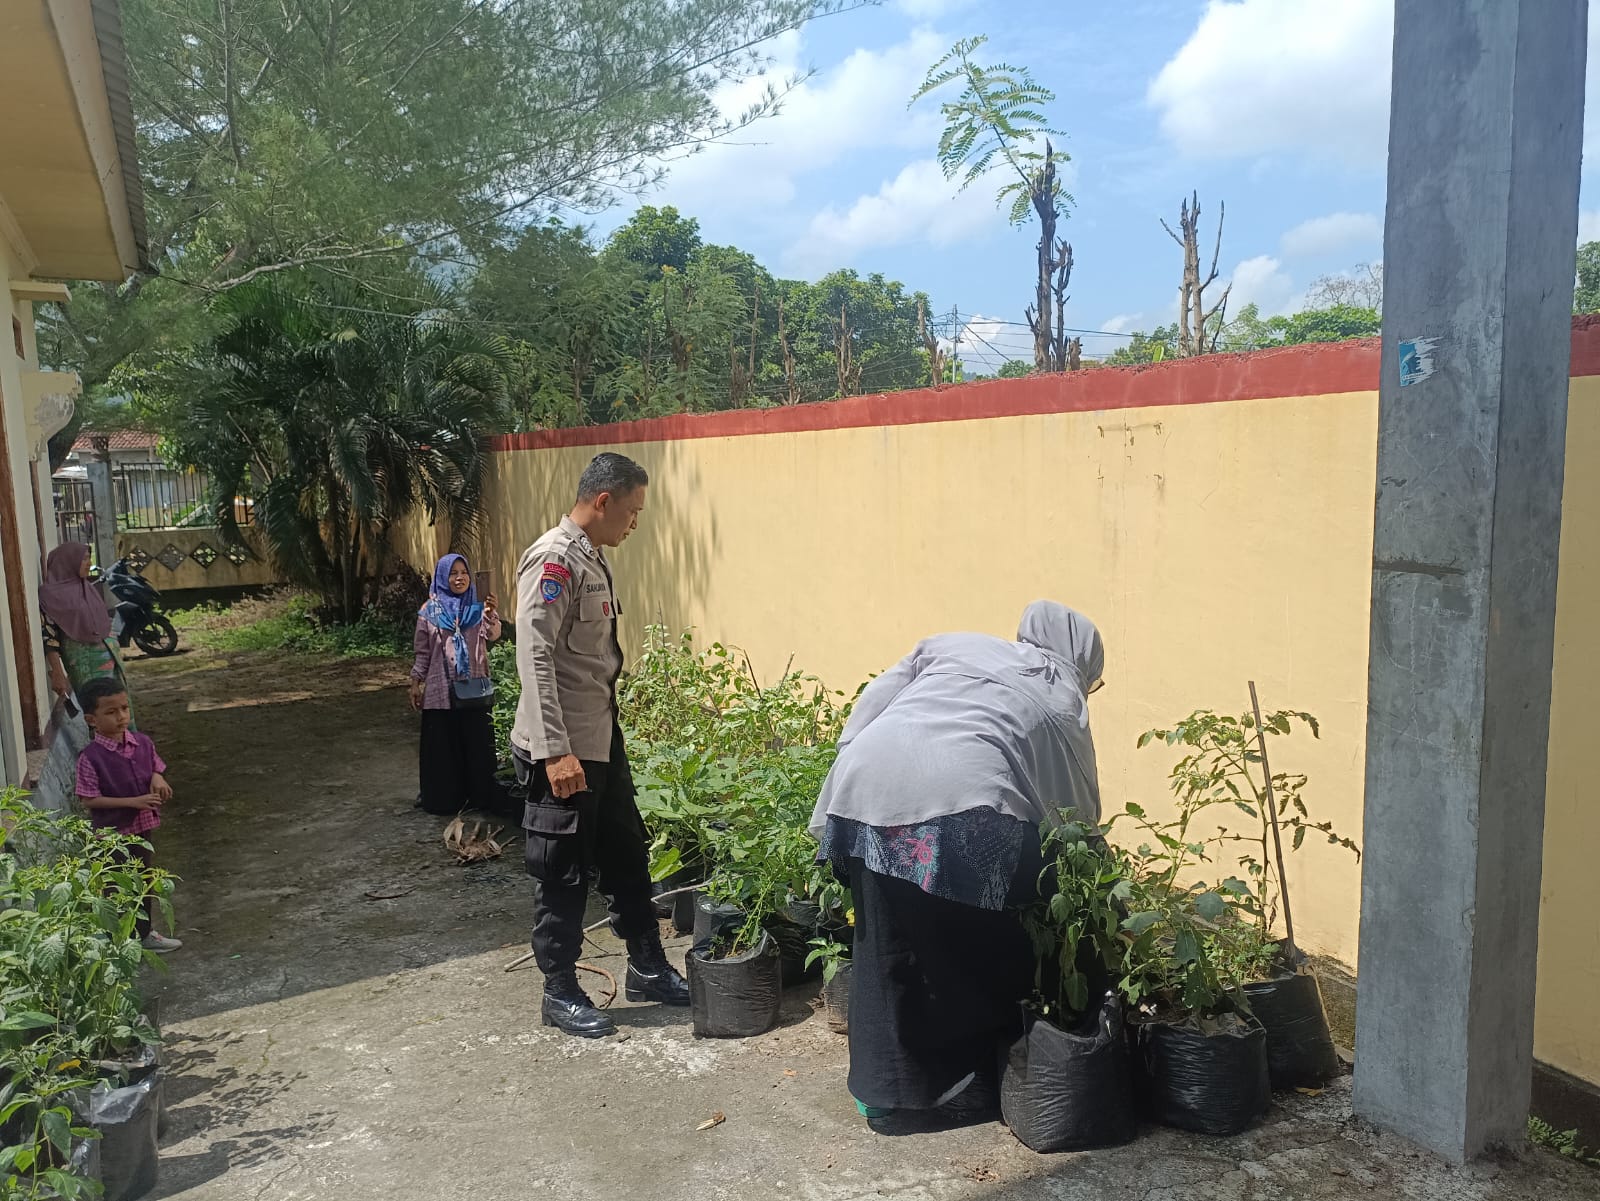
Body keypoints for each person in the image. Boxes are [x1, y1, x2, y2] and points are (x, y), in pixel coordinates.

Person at [808, 601, 1105, 1128]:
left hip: (865, 786)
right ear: (1082, 660)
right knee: (983, 936)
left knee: (885, 937)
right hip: (964, 804)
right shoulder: (1064, 695)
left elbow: (870, 706)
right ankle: (964, 1081)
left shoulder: (957, 644)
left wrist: (856, 768)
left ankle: (882, 1092)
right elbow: (1076, 811)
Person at [511, 452, 690, 1037]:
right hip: (562, 749)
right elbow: (534, 657)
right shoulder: (554, 560)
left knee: (626, 853)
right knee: (563, 872)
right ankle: (559, 991)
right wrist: (554, 751)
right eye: (633, 511)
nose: (635, 523)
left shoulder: (591, 556)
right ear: (603, 501)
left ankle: (647, 966)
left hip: (598, 740)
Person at [74, 675, 181, 953]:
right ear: (91, 720)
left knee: (144, 880)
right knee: (117, 886)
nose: (121, 716)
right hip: (112, 836)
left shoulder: (142, 742)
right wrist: (133, 802)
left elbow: (155, 766)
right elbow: (89, 798)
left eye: (124, 708)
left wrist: (158, 778)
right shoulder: (91, 757)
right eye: (111, 712)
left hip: (142, 829)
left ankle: (144, 934)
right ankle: (120, 941)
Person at [410, 553, 506, 816]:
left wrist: (491, 613)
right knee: (443, 750)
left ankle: (479, 798)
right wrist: (416, 682)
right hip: (440, 693)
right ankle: (444, 800)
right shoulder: (429, 612)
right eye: (453, 573)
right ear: (442, 577)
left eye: (464, 572)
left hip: (473, 690)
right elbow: (423, 653)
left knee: (476, 746)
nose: (459, 578)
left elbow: (493, 635)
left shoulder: (478, 608)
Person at [40, 542, 133, 721]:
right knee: (98, 707)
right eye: (84, 559)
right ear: (68, 562)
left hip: (110, 657)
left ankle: (125, 738)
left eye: (89, 558)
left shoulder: (87, 588)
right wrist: (57, 672)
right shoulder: (50, 596)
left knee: (118, 702)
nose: (89, 563)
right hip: (85, 664)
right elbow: (49, 636)